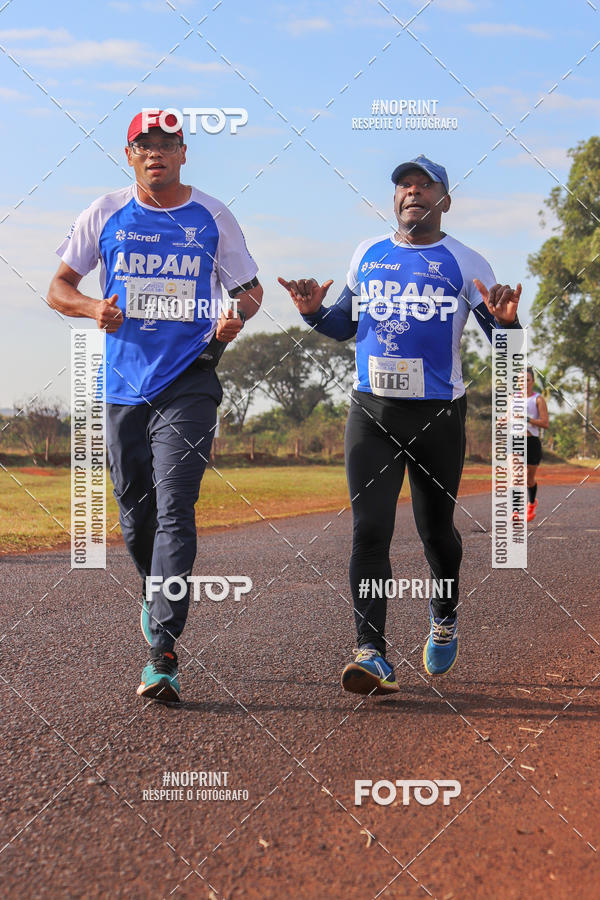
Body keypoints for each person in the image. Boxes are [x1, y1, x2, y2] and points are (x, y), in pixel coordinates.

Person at [279, 155, 521, 694]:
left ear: (445, 200)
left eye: (424, 185)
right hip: (372, 411)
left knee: (436, 532)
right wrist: (314, 312)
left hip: (438, 414)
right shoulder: (368, 253)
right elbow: (345, 325)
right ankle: (371, 652)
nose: (411, 192)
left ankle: (444, 614)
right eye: (403, 186)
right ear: (394, 201)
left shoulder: (466, 261)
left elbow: (505, 350)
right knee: (370, 531)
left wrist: (508, 325)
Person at [48, 110, 263, 702]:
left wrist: (234, 317)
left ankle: (162, 653)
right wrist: (94, 310)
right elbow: (57, 288)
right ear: (129, 155)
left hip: (190, 380)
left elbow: (248, 290)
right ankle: (153, 587)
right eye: (145, 146)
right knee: (134, 512)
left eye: (168, 145)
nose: (156, 154)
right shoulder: (105, 212)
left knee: (175, 507)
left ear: (184, 153)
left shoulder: (212, 216)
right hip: (121, 384)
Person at [526, 367, 549, 522]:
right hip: (515, 441)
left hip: (532, 442)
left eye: (527, 380)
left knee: (529, 479)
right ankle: (515, 512)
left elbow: (545, 423)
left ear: (532, 382)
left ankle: (532, 502)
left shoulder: (538, 399)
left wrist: (527, 420)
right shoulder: (512, 399)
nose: (524, 383)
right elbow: (506, 418)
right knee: (516, 475)